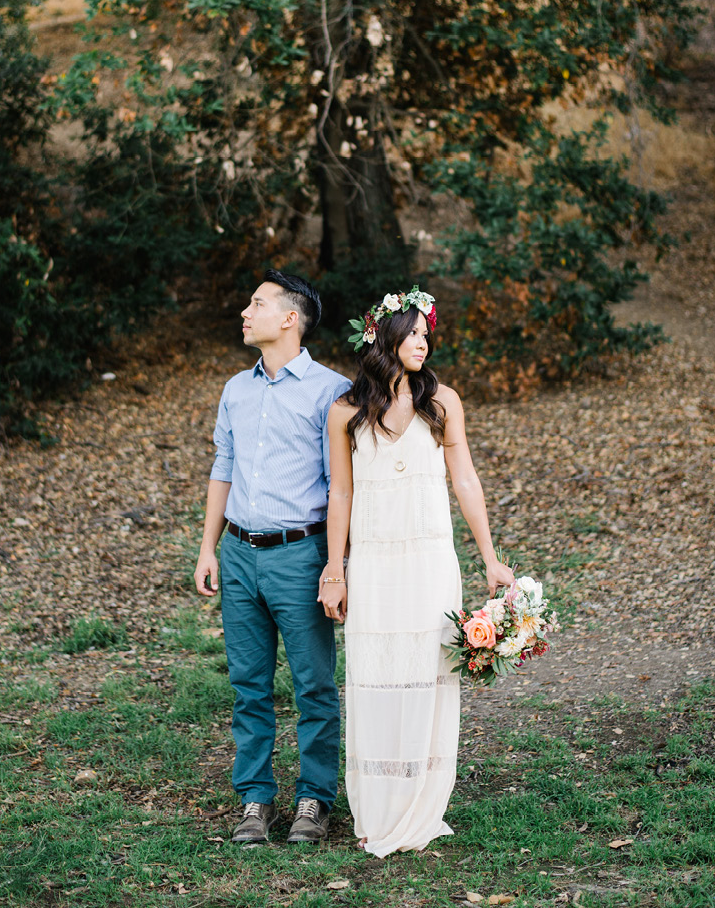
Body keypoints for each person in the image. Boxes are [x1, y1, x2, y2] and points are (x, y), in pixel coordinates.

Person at [318, 286, 514, 857]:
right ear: (384, 338)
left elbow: (466, 481)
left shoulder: (444, 402)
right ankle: (379, 804)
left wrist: (491, 557)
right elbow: (340, 495)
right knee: (376, 674)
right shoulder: (346, 412)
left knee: (428, 674)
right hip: (376, 562)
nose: (423, 343)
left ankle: (423, 801)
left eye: (428, 335)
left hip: (430, 560)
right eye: (414, 334)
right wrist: (336, 568)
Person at [194, 270, 351, 845]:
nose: (244, 311)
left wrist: (336, 566)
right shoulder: (236, 389)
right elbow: (223, 468)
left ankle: (314, 799)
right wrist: (209, 548)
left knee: (313, 685)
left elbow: (342, 488)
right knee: (249, 685)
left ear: (290, 318)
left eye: (255, 303)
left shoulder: (332, 391)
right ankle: (255, 800)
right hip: (238, 554)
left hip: (300, 556)